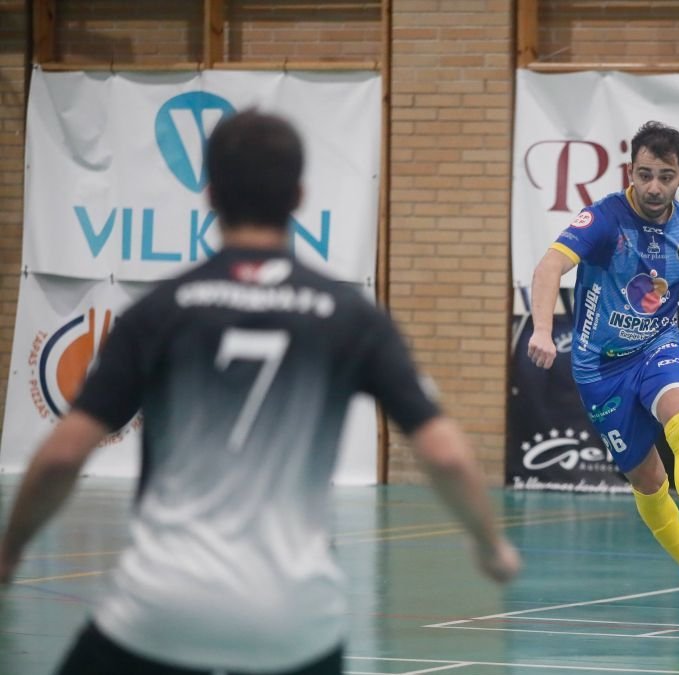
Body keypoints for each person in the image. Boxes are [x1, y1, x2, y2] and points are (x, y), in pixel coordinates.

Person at [0, 110, 520, 674]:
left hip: (163, 611)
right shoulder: (350, 317)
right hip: (295, 622)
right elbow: (442, 452)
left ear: (211, 194)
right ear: (298, 195)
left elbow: (63, 455)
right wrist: (489, 546)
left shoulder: (159, 312)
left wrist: (10, 551)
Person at [526, 121, 679, 591]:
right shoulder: (604, 220)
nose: (654, 187)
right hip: (600, 369)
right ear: (629, 172)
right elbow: (550, 265)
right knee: (649, 480)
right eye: (645, 174)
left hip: (658, 346)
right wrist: (542, 328)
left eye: (666, 176)